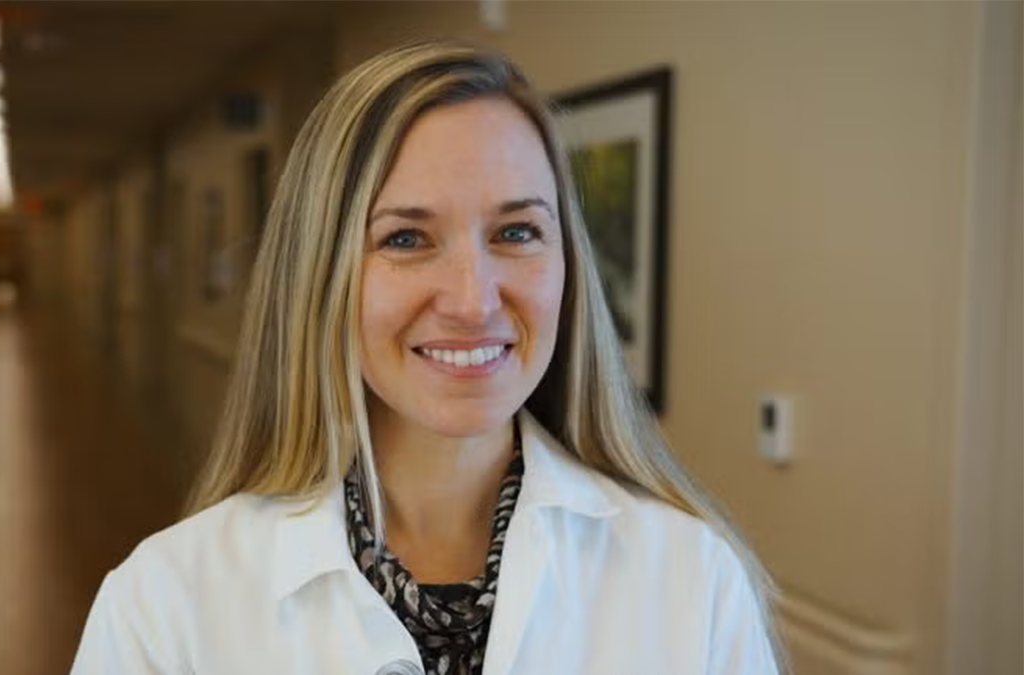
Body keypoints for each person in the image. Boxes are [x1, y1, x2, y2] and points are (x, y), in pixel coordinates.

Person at [71, 40, 782, 675]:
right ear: (321, 275)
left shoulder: (693, 579)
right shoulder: (165, 604)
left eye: (517, 230)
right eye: (407, 240)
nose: (473, 301)